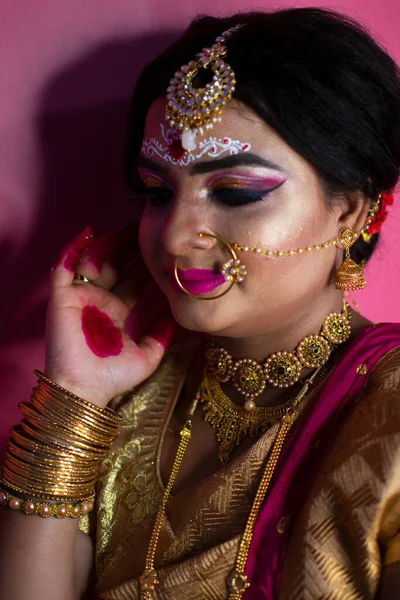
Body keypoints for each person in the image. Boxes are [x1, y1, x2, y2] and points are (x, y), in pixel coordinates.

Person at [0, 7, 399, 600]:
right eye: (158, 192)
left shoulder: (386, 417)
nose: (175, 234)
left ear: (351, 210)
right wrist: (73, 398)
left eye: (236, 193)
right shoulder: (124, 399)